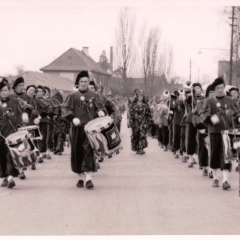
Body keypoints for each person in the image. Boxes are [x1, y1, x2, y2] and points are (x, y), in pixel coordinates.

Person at [62, 71, 107, 189]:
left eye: (85, 82)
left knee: (88, 151)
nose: (83, 84)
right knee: (77, 152)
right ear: (78, 83)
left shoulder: (94, 95)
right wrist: (72, 118)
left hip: (90, 129)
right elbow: (65, 109)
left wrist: (101, 112)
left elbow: (100, 108)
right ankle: (80, 178)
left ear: (88, 82)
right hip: (77, 128)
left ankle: (88, 178)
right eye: (81, 82)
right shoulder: (72, 96)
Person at [200, 77, 240, 190]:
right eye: (218, 88)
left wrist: (237, 118)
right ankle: (215, 178)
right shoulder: (209, 101)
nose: (220, 90)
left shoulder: (230, 100)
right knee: (214, 155)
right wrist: (210, 119)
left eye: (222, 87)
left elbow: (237, 113)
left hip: (227, 132)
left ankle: (225, 180)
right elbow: (203, 115)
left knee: (227, 156)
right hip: (214, 132)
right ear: (214, 90)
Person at [10, 77, 39, 179]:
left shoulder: (28, 98)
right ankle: (11, 172)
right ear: (15, 87)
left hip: (24, 124)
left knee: (22, 147)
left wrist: (30, 113)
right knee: (12, 148)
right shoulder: (10, 96)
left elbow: (34, 111)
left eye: (23, 85)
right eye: (19, 85)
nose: (22, 87)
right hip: (11, 125)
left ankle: (22, 170)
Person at [0, 79, 26, 188]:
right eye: (2, 91)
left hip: (13, 134)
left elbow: (26, 107)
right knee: (1, 156)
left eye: (6, 90)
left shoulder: (15, 101)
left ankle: (10, 177)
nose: (5, 92)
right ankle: (4, 177)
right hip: (1, 134)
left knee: (11, 155)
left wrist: (25, 117)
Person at [185, 83, 205, 168]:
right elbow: (185, 104)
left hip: (201, 119)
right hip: (191, 119)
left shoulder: (204, 98)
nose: (197, 89)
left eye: (198, 88)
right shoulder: (190, 97)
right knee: (191, 139)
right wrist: (189, 97)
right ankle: (190, 158)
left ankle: (202, 161)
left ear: (201, 89)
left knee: (202, 139)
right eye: (195, 88)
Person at [129, 90, 152, 155]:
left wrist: (148, 122)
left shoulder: (145, 105)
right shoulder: (133, 105)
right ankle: (137, 148)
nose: (140, 98)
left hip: (143, 123)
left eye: (142, 97)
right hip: (135, 123)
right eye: (139, 97)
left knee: (142, 135)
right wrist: (130, 122)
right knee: (136, 135)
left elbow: (148, 114)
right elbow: (130, 114)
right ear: (137, 97)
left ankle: (141, 148)